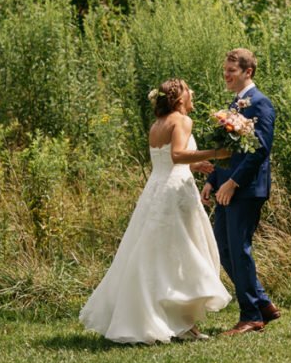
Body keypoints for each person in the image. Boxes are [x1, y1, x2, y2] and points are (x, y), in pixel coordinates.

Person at [79, 78, 231, 344]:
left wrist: (195, 166)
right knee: (183, 255)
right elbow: (177, 156)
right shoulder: (182, 121)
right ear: (179, 98)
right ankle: (182, 322)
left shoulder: (157, 124)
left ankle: (175, 321)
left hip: (156, 190)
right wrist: (218, 153)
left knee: (158, 255)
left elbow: (165, 159)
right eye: (187, 89)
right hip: (175, 194)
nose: (192, 91)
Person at [202, 48, 281, 336]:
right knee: (223, 250)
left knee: (239, 250)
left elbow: (260, 149)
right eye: (225, 70)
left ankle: (251, 316)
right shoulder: (233, 105)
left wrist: (233, 183)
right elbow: (231, 151)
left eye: (231, 71)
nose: (226, 75)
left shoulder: (261, 104)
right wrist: (214, 178)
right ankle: (262, 303)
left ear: (248, 72)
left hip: (246, 190)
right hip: (225, 187)